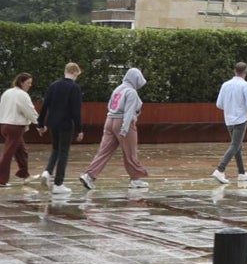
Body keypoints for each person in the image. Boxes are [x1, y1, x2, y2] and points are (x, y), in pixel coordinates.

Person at [79, 68, 150, 190]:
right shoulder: (131, 92)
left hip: (110, 120)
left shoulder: (118, 89)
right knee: (130, 153)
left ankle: (89, 176)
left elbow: (109, 105)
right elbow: (129, 112)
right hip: (123, 122)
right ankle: (135, 179)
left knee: (104, 151)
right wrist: (124, 129)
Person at [36, 62, 84, 196]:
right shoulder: (74, 88)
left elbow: (45, 105)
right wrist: (79, 129)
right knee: (64, 152)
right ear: (75, 72)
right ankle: (58, 184)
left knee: (55, 149)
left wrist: (40, 123)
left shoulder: (54, 85)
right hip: (65, 124)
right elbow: (76, 110)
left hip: (52, 123)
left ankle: (47, 172)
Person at [212, 62, 247, 184]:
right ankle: (220, 169)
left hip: (228, 120)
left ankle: (242, 173)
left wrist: (230, 108)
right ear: (245, 71)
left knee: (237, 146)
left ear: (234, 71)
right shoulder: (245, 85)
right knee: (235, 145)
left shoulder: (225, 85)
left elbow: (219, 104)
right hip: (240, 119)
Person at [0, 73, 39, 187]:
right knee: (8, 153)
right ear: (21, 82)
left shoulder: (7, 92)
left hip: (4, 125)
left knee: (21, 151)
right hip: (15, 126)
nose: (30, 85)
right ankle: (1, 179)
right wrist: (39, 123)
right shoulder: (22, 95)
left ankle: (25, 174)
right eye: (28, 83)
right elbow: (29, 110)